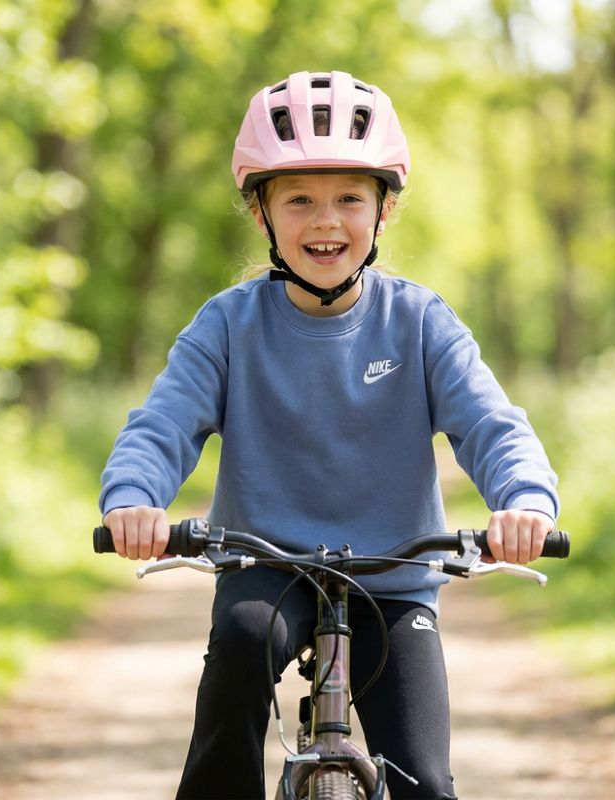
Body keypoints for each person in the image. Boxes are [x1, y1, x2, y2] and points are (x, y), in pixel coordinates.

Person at [100, 70, 559, 800]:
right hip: (266, 568)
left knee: (426, 781)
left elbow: (492, 425)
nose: (325, 221)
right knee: (239, 657)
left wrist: (526, 502)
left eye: (349, 197)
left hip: (396, 581)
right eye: (299, 200)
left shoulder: (419, 322)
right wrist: (134, 497)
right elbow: (161, 425)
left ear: (384, 211)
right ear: (261, 214)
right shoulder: (228, 324)